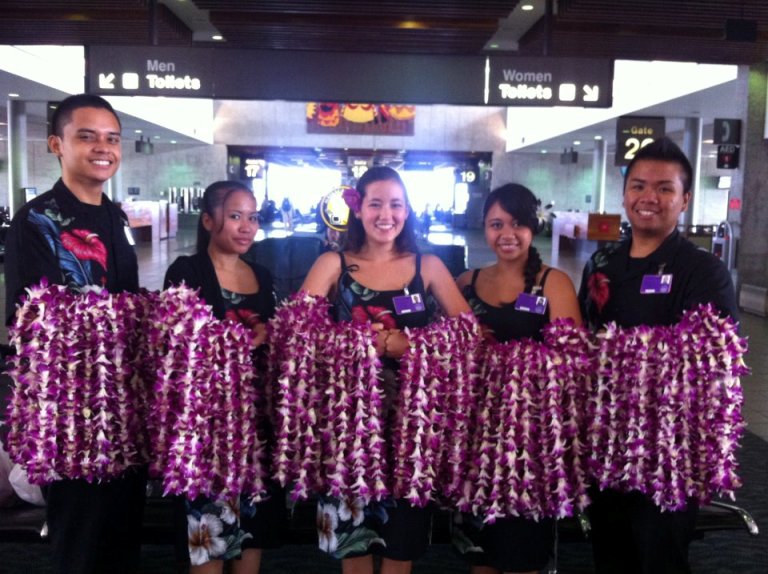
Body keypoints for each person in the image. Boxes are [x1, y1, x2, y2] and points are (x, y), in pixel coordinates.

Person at [577, 136, 739, 574]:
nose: (649, 198)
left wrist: (619, 355)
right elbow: (583, 336)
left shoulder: (701, 270)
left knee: (658, 558)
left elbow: (711, 354)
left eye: (665, 188)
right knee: (610, 553)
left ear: (685, 199)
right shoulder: (602, 262)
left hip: (667, 446)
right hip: (606, 439)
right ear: (625, 192)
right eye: (638, 185)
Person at [301, 166, 471, 574]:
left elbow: (467, 334)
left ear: (408, 210)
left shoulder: (426, 265)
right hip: (348, 432)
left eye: (396, 204)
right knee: (354, 549)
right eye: (375, 203)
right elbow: (298, 335)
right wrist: (355, 343)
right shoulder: (332, 263)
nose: (386, 214)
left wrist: (405, 345)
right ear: (357, 209)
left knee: (400, 549)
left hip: (410, 434)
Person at [4, 93, 145, 574]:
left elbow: (130, 300)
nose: (102, 148)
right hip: (72, 414)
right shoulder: (36, 221)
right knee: (80, 539)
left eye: (111, 138)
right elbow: (32, 321)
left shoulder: (117, 217)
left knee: (123, 534)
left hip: (125, 406)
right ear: (56, 145)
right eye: (86, 136)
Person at [452, 184, 582, 574]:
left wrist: (517, 370)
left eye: (518, 223)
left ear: (533, 226)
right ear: (484, 228)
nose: (507, 234)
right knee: (480, 552)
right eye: (496, 224)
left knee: (522, 548)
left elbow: (573, 357)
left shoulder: (553, 283)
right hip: (476, 435)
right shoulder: (465, 282)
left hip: (530, 443)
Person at [164, 181, 284, 574]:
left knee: (253, 534)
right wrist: (247, 341)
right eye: (235, 216)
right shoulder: (187, 271)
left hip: (257, 430)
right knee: (210, 539)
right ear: (208, 220)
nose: (247, 226)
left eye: (253, 217)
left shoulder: (263, 276)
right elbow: (178, 347)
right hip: (208, 433)